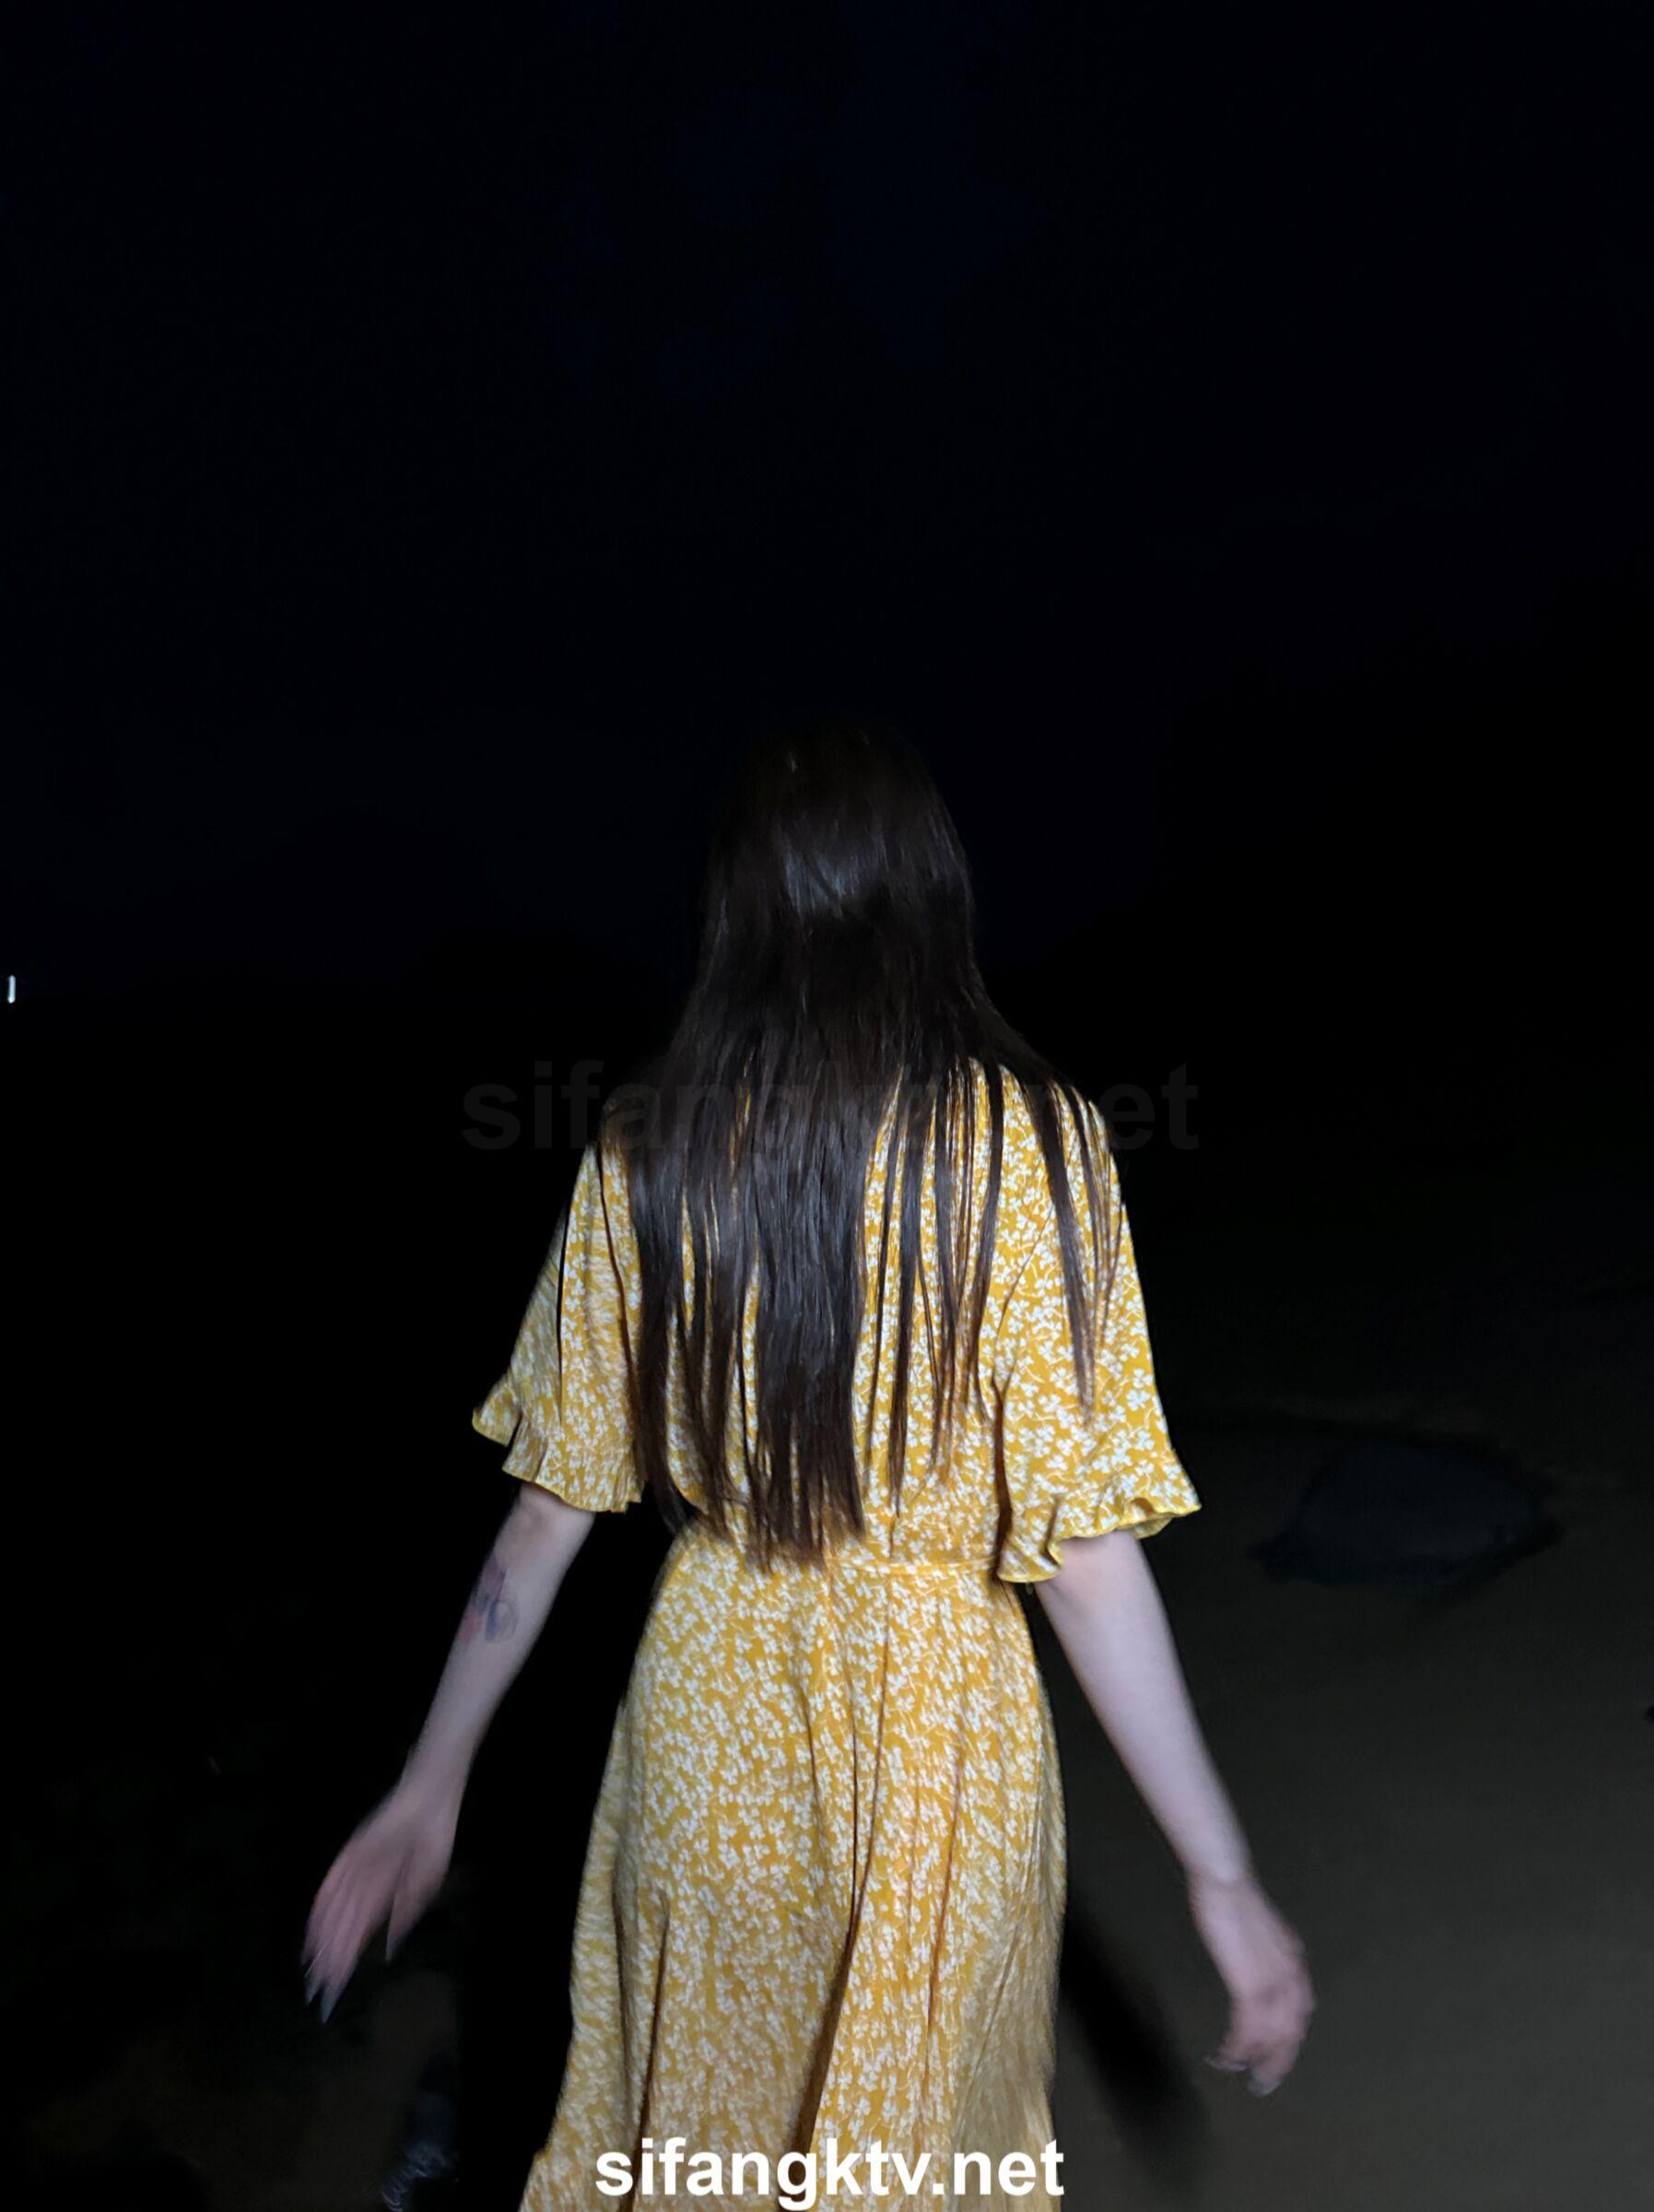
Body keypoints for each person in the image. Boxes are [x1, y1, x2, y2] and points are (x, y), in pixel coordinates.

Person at [303, 716, 1314, 2208]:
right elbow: (1088, 1565)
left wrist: (427, 1783)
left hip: (708, 1724)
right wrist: (1218, 1873)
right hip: (938, 1741)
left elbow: (542, 1525)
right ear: (931, 890)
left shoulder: (644, 1148)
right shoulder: (1033, 1147)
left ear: (736, 909)